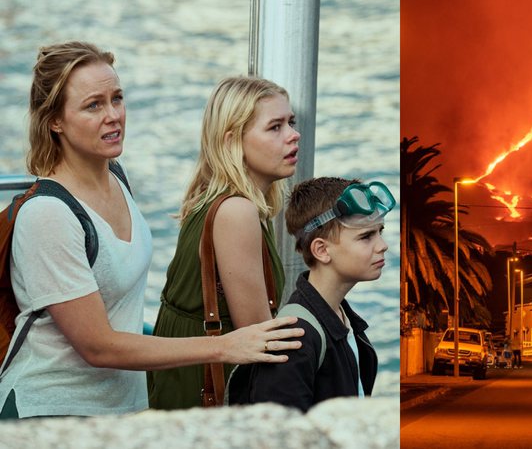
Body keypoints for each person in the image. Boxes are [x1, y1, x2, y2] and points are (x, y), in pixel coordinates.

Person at [0, 41, 302, 419]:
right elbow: (99, 347)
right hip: (50, 414)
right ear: (54, 121)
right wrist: (224, 347)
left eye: (117, 98)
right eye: (93, 105)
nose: (113, 115)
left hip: (125, 408)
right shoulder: (48, 215)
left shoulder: (115, 178)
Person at [147, 76, 302, 409]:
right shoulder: (237, 211)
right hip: (209, 380)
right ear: (232, 140)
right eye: (274, 127)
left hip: (182, 370)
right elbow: (259, 333)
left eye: (291, 122)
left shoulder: (214, 199)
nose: (293, 135)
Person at [227, 177, 395, 412]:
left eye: (380, 231)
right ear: (322, 250)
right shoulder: (295, 339)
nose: (382, 245)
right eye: (366, 236)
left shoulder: (345, 319)